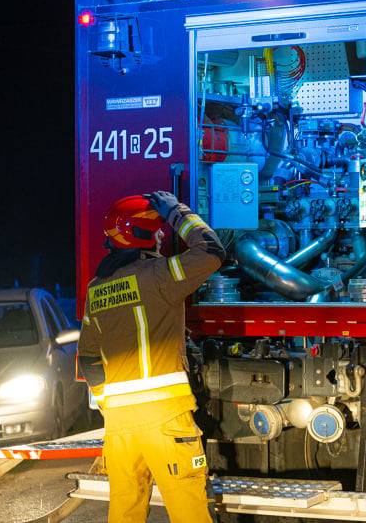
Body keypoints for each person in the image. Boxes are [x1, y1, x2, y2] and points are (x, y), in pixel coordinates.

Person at [78, 191, 225, 523]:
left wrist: (110, 405)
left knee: (124, 512)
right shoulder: (158, 275)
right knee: (190, 510)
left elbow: (88, 359)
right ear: (139, 234)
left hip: (118, 428)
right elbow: (212, 251)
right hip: (166, 421)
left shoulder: (96, 288)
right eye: (157, 232)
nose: (161, 239)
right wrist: (176, 212)